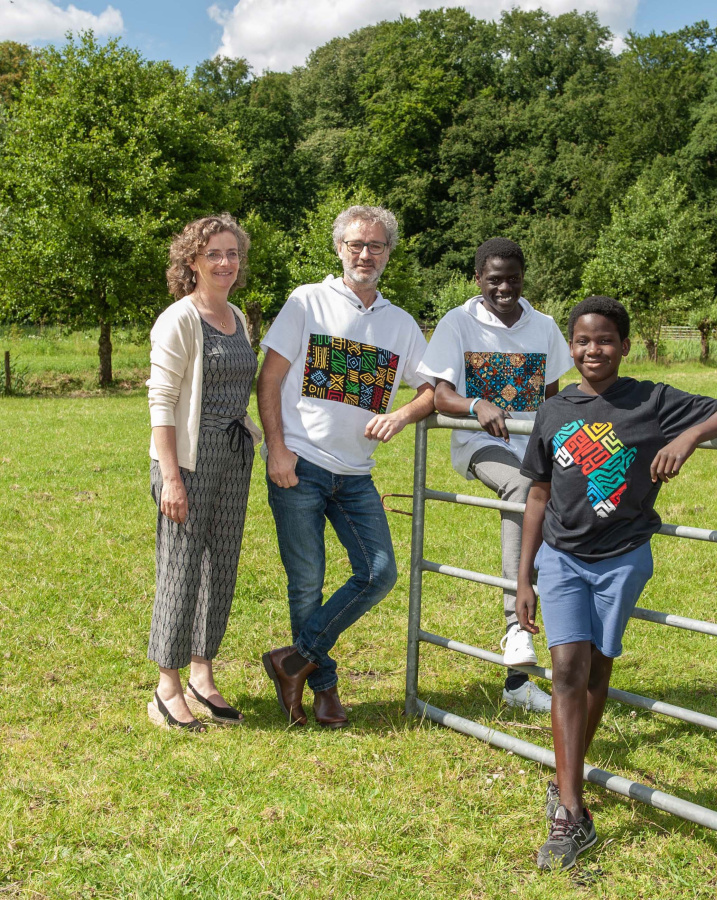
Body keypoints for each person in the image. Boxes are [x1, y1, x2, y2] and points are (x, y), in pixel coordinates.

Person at [516, 296, 717, 870]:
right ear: (569, 347)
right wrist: (523, 577)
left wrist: (687, 437)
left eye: (603, 340)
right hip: (561, 557)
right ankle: (570, 809)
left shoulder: (651, 400)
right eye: (581, 340)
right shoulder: (554, 410)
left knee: (597, 668)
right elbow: (538, 495)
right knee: (567, 667)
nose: (592, 350)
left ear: (624, 346)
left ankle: (567, 772)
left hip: (623, 556)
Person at [258, 205, 434, 729]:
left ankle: (291, 661)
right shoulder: (306, 302)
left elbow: (432, 390)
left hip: (356, 475)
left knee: (379, 574)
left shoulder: (400, 324)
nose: (366, 254)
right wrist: (276, 448)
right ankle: (322, 688)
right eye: (356, 244)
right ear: (339, 248)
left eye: (376, 246)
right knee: (307, 582)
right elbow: (269, 380)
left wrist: (401, 415)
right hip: (300, 464)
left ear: (388, 254)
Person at [418, 238, 571, 712]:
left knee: (560, 511)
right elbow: (438, 395)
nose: (504, 287)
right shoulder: (458, 323)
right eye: (494, 278)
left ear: (524, 277)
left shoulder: (543, 327)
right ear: (478, 279)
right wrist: (475, 403)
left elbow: (553, 398)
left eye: (513, 278)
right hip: (483, 446)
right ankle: (514, 627)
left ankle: (520, 684)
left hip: (534, 447)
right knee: (523, 488)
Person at [146, 213, 261, 731]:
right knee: (181, 568)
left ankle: (202, 674)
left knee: (221, 567)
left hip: (235, 455)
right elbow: (163, 403)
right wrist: (170, 477)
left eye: (232, 253)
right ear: (191, 260)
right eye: (213, 253)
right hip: (188, 460)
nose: (225, 263)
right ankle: (166, 688)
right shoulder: (179, 319)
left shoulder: (237, 315)